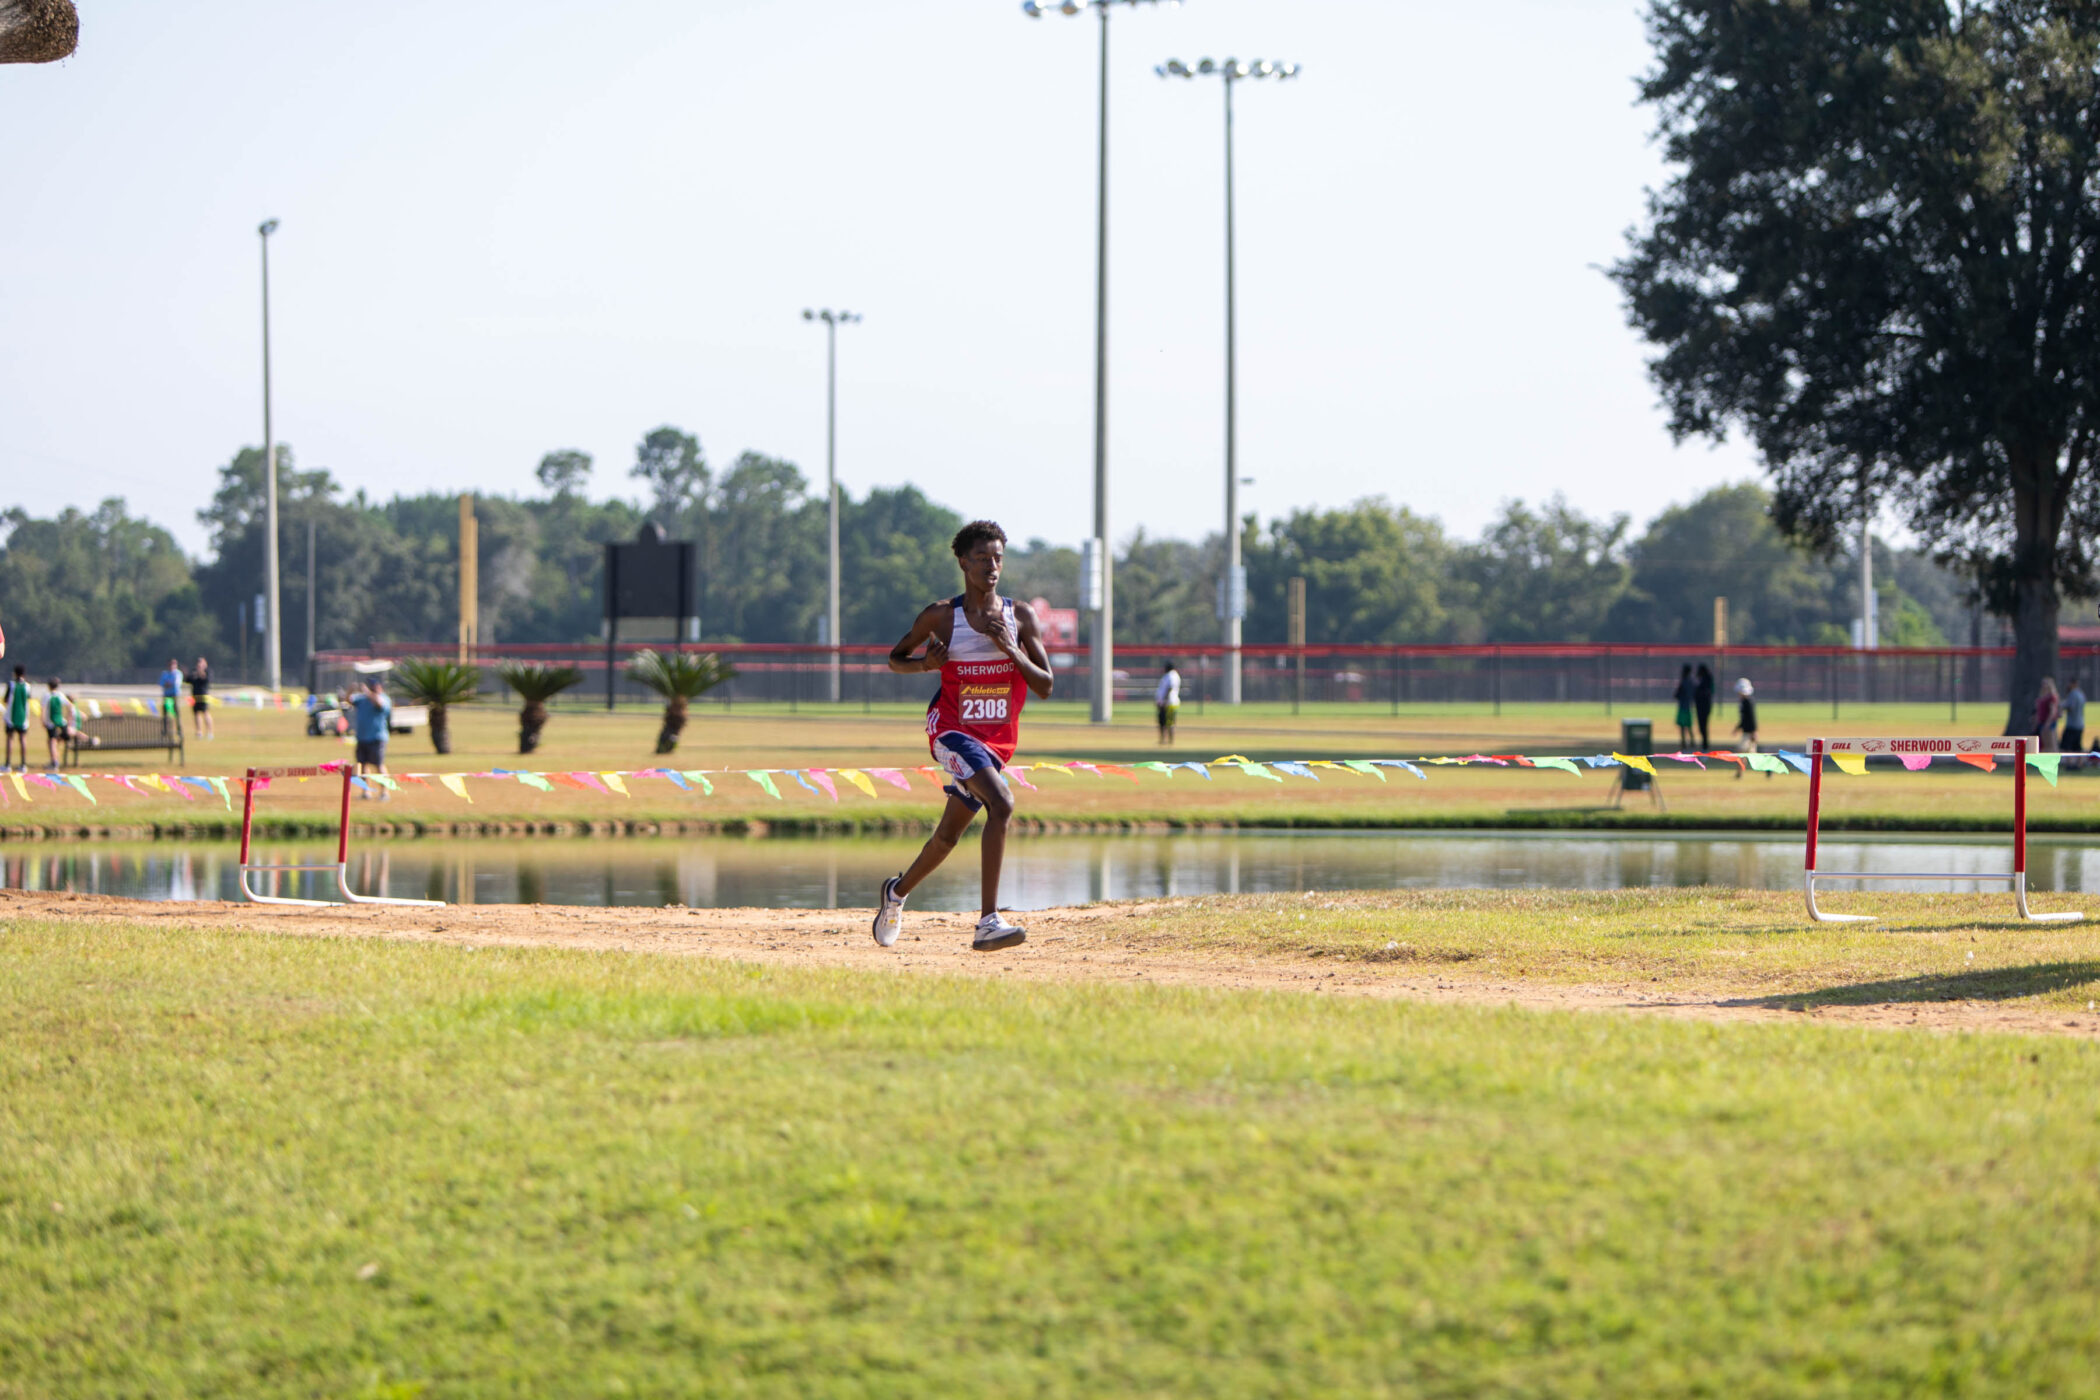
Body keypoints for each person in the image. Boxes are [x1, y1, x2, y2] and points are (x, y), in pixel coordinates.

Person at [872, 519, 1055, 953]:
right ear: (962, 562)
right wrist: (925, 665)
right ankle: (988, 921)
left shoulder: (1019, 616)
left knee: (948, 837)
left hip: (995, 743)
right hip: (951, 731)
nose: (992, 566)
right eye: (981, 558)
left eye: (998, 558)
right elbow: (896, 658)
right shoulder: (942, 616)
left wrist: (1012, 650)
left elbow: (1046, 685)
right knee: (1003, 802)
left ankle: (895, 893)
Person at [349, 675, 392, 797]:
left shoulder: (384, 699)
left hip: (377, 738)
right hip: (362, 738)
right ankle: (366, 791)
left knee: (379, 766)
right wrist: (350, 690)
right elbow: (348, 701)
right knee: (362, 766)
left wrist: (367, 692)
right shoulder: (362, 699)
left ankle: (384, 792)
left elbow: (379, 704)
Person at [42, 678, 91, 769]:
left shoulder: (47, 696)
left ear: (49, 686)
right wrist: (68, 719)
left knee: (52, 741)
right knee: (55, 741)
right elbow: (70, 706)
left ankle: (54, 762)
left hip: (51, 722)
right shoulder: (60, 695)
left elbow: (43, 709)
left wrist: (43, 720)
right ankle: (55, 759)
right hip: (61, 722)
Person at [1731, 676, 1763, 779]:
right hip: (1746, 732)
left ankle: (1739, 773)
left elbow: (1752, 718)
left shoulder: (1748, 702)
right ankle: (1739, 773)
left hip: (1749, 733)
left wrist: (1754, 732)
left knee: (1741, 752)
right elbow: (1744, 719)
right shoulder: (1743, 702)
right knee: (1749, 755)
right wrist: (1737, 728)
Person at [4, 665, 31, 772]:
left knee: (10, 739)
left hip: (11, 717)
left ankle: (7, 764)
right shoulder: (27, 686)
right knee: (23, 739)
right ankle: (23, 764)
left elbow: (6, 699)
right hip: (23, 717)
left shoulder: (11, 684)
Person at [186, 657, 214, 740]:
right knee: (196, 714)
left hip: (203, 695)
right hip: (194, 696)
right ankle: (199, 732)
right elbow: (188, 680)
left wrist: (201, 671)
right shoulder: (194, 671)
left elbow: (207, 680)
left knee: (205, 713)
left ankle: (210, 732)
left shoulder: (208, 671)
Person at [2062, 678, 2086, 768]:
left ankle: (2070, 763)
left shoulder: (2072, 694)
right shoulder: (2081, 694)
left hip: (2072, 724)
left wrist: (2062, 707)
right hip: (2080, 724)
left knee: (2067, 745)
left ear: (2073, 684)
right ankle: (2079, 763)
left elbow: (2071, 707)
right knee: (2078, 746)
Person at [1155, 661, 1181, 746]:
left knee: (1169, 722)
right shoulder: (1169, 675)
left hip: (1169, 703)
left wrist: (1164, 700)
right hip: (1166, 702)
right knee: (1162, 722)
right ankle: (1163, 739)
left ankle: (1170, 741)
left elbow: (1170, 688)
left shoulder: (1171, 675)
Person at [157, 657, 184, 737]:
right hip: (167, 696)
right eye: (170, 664)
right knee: (165, 713)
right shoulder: (165, 673)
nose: (172, 666)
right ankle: (165, 731)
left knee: (176, 713)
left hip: (174, 695)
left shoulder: (178, 673)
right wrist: (168, 684)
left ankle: (179, 731)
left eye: (174, 664)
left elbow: (176, 684)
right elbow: (161, 683)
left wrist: (168, 684)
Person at [2034, 676, 2061, 752]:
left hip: (2049, 723)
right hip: (2041, 722)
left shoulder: (2051, 697)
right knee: (2044, 744)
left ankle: (2054, 760)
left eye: (2046, 684)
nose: (2044, 686)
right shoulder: (2041, 696)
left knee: (2051, 743)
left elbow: (2053, 711)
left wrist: (2048, 723)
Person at [1672, 664, 1696, 750]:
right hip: (1689, 706)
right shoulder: (1692, 682)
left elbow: (1676, 694)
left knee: (1682, 726)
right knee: (1689, 726)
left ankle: (1683, 744)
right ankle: (1692, 743)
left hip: (1682, 707)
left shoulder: (1683, 682)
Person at [1693, 664, 1716, 749]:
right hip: (1701, 707)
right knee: (1702, 726)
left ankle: (1705, 745)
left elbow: (1707, 692)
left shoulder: (1707, 680)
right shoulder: (1700, 680)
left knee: (1703, 726)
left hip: (1704, 707)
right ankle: (1704, 744)